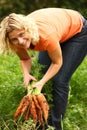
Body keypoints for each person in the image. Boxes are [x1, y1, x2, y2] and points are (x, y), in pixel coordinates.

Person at [0, 8, 87, 130]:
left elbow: (57, 63)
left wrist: (41, 83)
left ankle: (55, 126)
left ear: (27, 29)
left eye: (21, 35)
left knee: (59, 80)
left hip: (77, 32)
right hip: (57, 29)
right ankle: (41, 124)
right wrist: (26, 74)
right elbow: (25, 59)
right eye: (14, 39)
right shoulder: (17, 39)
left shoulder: (46, 36)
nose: (20, 41)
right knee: (42, 74)